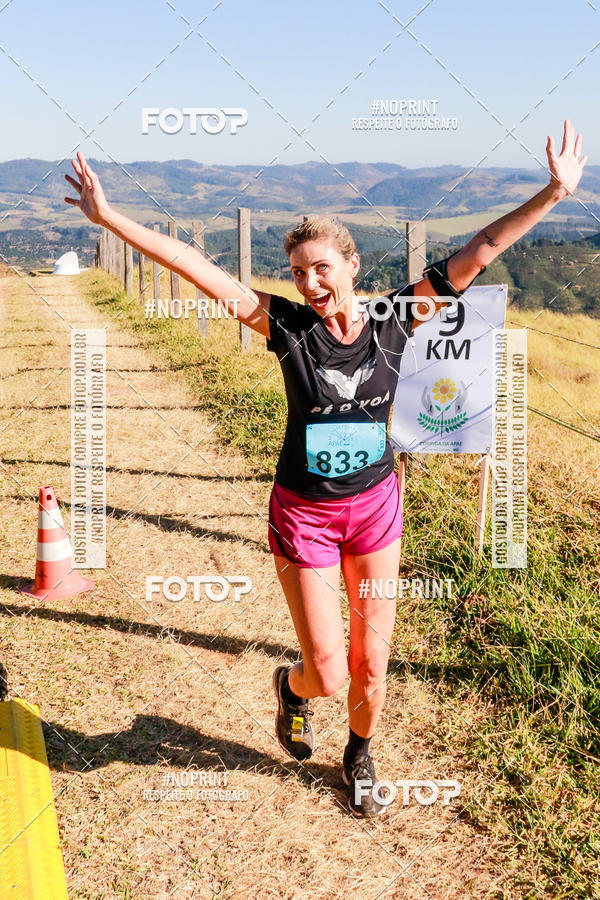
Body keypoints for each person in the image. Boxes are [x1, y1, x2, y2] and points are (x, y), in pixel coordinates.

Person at [65, 120, 586, 816]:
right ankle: (292, 687)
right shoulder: (287, 328)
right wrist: (108, 217)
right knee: (331, 673)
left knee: (372, 664)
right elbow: (195, 267)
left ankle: (359, 755)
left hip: (375, 511)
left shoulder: (398, 319)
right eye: (298, 273)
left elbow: (480, 250)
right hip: (304, 516)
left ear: (351, 266)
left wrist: (554, 193)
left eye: (321, 269)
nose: (310, 283)